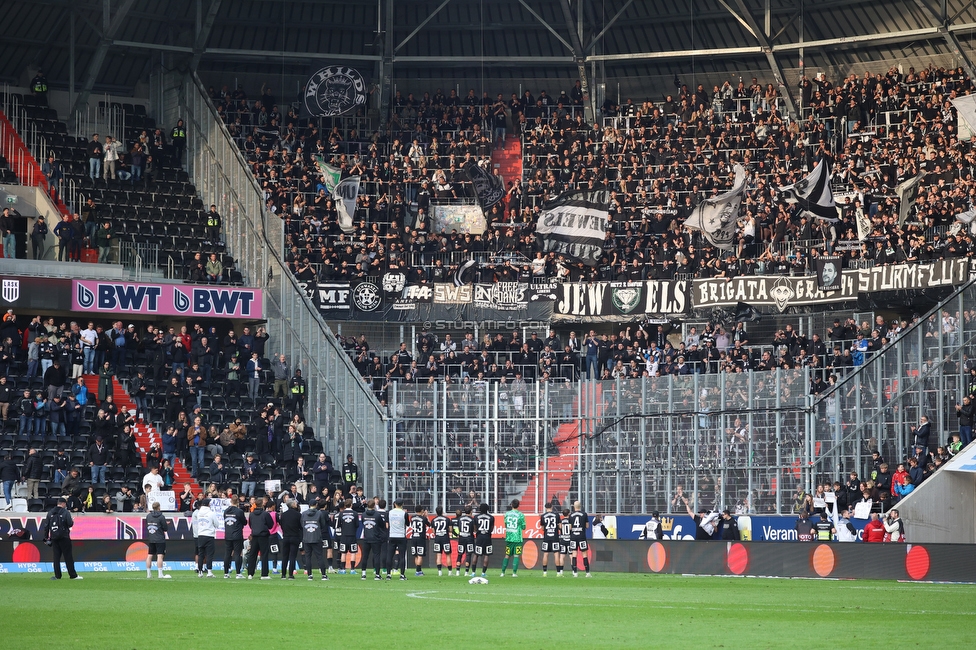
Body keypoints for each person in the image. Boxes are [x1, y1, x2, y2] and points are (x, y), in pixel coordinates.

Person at [41, 497, 81, 580]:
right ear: (63, 504)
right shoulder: (65, 512)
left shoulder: (50, 512)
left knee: (56, 557)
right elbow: (70, 524)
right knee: (68, 557)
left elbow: (46, 526)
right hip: (64, 537)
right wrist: (72, 522)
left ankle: (57, 575)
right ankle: (73, 575)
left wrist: (46, 538)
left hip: (54, 537)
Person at [302, 497, 331, 581]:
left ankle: (310, 575)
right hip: (317, 537)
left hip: (307, 538)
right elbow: (322, 524)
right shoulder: (319, 513)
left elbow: (302, 525)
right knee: (320, 557)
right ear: (316, 505)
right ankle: (323, 575)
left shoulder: (304, 514)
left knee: (308, 557)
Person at [246, 497, 275, 579]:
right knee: (264, 555)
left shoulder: (251, 514)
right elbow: (270, 525)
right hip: (263, 536)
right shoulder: (265, 514)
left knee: (252, 555)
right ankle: (264, 574)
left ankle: (250, 574)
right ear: (262, 504)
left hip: (254, 536)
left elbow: (250, 525)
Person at [192, 497, 220, 577]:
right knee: (209, 554)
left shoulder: (198, 513)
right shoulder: (211, 513)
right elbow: (217, 524)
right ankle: (209, 572)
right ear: (208, 504)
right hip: (209, 535)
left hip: (200, 535)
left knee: (201, 554)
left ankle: (200, 572)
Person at [144, 502, 171, 579]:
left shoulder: (148, 516)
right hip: (159, 538)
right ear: (159, 507)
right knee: (160, 556)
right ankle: (160, 574)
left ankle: (148, 574)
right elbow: (165, 528)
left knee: (149, 555)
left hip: (151, 538)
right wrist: (165, 524)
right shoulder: (161, 516)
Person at [222, 495, 246, 578]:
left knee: (227, 554)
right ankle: (238, 573)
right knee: (237, 554)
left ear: (231, 501)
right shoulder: (239, 511)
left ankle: (226, 573)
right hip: (237, 535)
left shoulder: (225, 511)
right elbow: (244, 522)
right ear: (238, 502)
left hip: (228, 534)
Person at [500, 499, 526, 577]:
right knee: (516, 555)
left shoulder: (507, 514)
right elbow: (524, 527)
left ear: (511, 505)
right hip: (517, 538)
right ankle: (514, 573)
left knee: (507, 555)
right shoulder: (521, 515)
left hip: (509, 538)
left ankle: (502, 572)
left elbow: (506, 525)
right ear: (518, 505)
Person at [386, 499, 409, 581]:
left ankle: (388, 574)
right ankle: (402, 575)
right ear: (402, 504)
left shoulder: (389, 513)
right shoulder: (404, 513)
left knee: (390, 555)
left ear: (394, 504)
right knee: (402, 556)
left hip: (392, 535)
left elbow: (387, 523)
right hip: (401, 536)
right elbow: (408, 524)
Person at [279, 499, 302, 579]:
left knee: (284, 556)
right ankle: (291, 574)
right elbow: (300, 526)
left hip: (286, 537)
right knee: (292, 556)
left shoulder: (283, 515)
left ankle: (283, 574)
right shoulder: (298, 515)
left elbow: (281, 525)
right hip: (294, 536)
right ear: (292, 505)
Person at [471, 502, 494, 579]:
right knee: (486, 555)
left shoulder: (476, 517)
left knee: (476, 554)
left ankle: (473, 573)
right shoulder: (491, 517)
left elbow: (474, 528)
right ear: (487, 509)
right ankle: (483, 573)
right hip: (487, 537)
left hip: (479, 537)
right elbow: (491, 529)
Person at [569, 501, 591, 577]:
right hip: (582, 536)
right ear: (580, 506)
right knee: (584, 554)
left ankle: (575, 573)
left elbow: (570, 527)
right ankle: (587, 573)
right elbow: (587, 526)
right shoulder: (584, 514)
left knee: (574, 554)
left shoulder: (571, 515)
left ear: (574, 506)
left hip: (573, 537)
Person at [540, 501, 561, 576]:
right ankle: (558, 573)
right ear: (552, 507)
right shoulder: (556, 515)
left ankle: (544, 572)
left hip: (546, 537)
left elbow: (542, 528)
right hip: (555, 537)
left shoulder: (543, 516)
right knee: (556, 554)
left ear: (545, 508)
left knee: (545, 554)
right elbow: (560, 527)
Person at [430, 506, 452, 576]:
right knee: (448, 555)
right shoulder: (447, 519)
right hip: (445, 538)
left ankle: (439, 572)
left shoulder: (433, 520)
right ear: (442, 511)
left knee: (438, 555)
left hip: (437, 538)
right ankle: (450, 572)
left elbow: (433, 531)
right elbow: (451, 530)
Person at [409, 505, 429, 577]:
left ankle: (418, 570)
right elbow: (429, 524)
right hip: (421, 538)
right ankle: (418, 571)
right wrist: (426, 516)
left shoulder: (412, 518)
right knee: (420, 555)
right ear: (421, 510)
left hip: (413, 537)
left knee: (416, 555)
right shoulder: (423, 518)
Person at [455, 505, 475, 577]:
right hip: (469, 538)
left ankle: (457, 571)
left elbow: (458, 527)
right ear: (471, 511)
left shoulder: (460, 519)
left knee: (460, 554)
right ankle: (466, 572)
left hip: (461, 538)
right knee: (468, 555)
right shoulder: (472, 519)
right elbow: (474, 530)